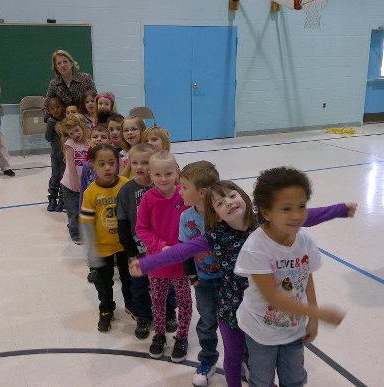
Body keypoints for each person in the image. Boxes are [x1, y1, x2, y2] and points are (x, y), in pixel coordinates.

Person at [130, 179, 356, 387]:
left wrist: (341, 210)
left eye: (232, 195)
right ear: (217, 215)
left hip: (268, 307)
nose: (228, 203)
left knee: (266, 356)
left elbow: (306, 215)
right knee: (235, 356)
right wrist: (147, 264)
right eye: (220, 203)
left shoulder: (264, 222)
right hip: (232, 306)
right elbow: (180, 251)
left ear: (244, 198)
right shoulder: (215, 237)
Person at [234, 167, 346, 387]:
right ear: (266, 212)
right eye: (286, 209)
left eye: (302, 206)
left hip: (294, 329)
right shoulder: (256, 248)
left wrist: (312, 318)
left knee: (295, 379)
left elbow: (306, 278)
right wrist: (318, 312)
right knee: (262, 380)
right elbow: (273, 297)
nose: (297, 215)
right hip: (261, 331)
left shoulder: (305, 241)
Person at [135, 150, 192, 363]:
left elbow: (192, 225)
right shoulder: (148, 199)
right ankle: (159, 334)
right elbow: (141, 229)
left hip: (181, 262)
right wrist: (160, 246)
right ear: (150, 174)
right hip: (157, 262)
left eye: (168, 173)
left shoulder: (184, 196)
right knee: (157, 299)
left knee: (184, 301)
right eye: (158, 175)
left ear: (177, 172)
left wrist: (181, 249)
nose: (163, 179)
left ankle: (182, 336)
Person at [117, 143, 177, 340]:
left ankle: (169, 313)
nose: (140, 167)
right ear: (129, 164)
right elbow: (123, 221)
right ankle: (143, 316)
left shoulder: (162, 187)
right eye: (135, 162)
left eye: (145, 163)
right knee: (139, 285)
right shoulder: (126, 191)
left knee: (166, 283)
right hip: (138, 249)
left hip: (162, 248)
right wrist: (129, 248)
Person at [79, 144, 131, 332]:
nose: (108, 168)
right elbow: (86, 222)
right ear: (92, 165)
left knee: (129, 278)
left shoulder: (125, 184)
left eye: (111, 163)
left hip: (125, 245)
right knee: (104, 281)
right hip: (102, 247)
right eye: (102, 164)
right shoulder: (90, 193)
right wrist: (91, 249)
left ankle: (131, 305)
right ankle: (106, 309)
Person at [178, 161, 221, 386]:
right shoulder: (186, 218)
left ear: (202, 192)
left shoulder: (223, 214)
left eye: (184, 187)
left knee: (237, 322)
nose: (180, 191)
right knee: (206, 322)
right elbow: (185, 250)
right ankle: (207, 360)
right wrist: (192, 277)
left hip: (229, 282)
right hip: (203, 281)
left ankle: (244, 358)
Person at [78, 124, 111, 282]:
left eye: (103, 137)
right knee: (93, 240)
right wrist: (81, 209)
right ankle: (94, 267)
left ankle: (109, 262)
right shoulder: (86, 166)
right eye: (95, 137)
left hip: (107, 209)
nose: (99, 139)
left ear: (109, 141)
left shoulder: (114, 165)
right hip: (92, 210)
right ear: (89, 140)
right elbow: (83, 189)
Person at [43, 50, 96, 123]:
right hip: (64, 124)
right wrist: (55, 123)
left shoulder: (86, 78)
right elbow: (45, 107)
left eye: (65, 61)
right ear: (56, 68)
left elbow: (96, 100)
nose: (62, 65)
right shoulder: (54, 84)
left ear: (71, 63)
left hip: (86, 121)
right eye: (59, 63)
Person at [60, 113, 90, 244]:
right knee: (73, 211)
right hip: (70, 184)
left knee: (84, 209)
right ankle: (75, 233)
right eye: (71, 133)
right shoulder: (70, 144)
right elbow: (70, 165)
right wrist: (74, 182)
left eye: (77, 130)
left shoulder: (89, 143)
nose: (76, 135)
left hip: (85, 183)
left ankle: (83, 230)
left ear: (82, 127)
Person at [45, 96, 65, 212]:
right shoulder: (51, 122)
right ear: (49, 110)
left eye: (58, 107)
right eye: (52, 108)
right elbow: (48, 137)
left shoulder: (67, 121)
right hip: (55, 155)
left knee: (63, 177)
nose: (56, 110)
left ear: (62, 107)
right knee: (55, 177)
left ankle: (62, 199)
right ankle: (52, 198)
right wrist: (51, 124)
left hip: (65, 156)